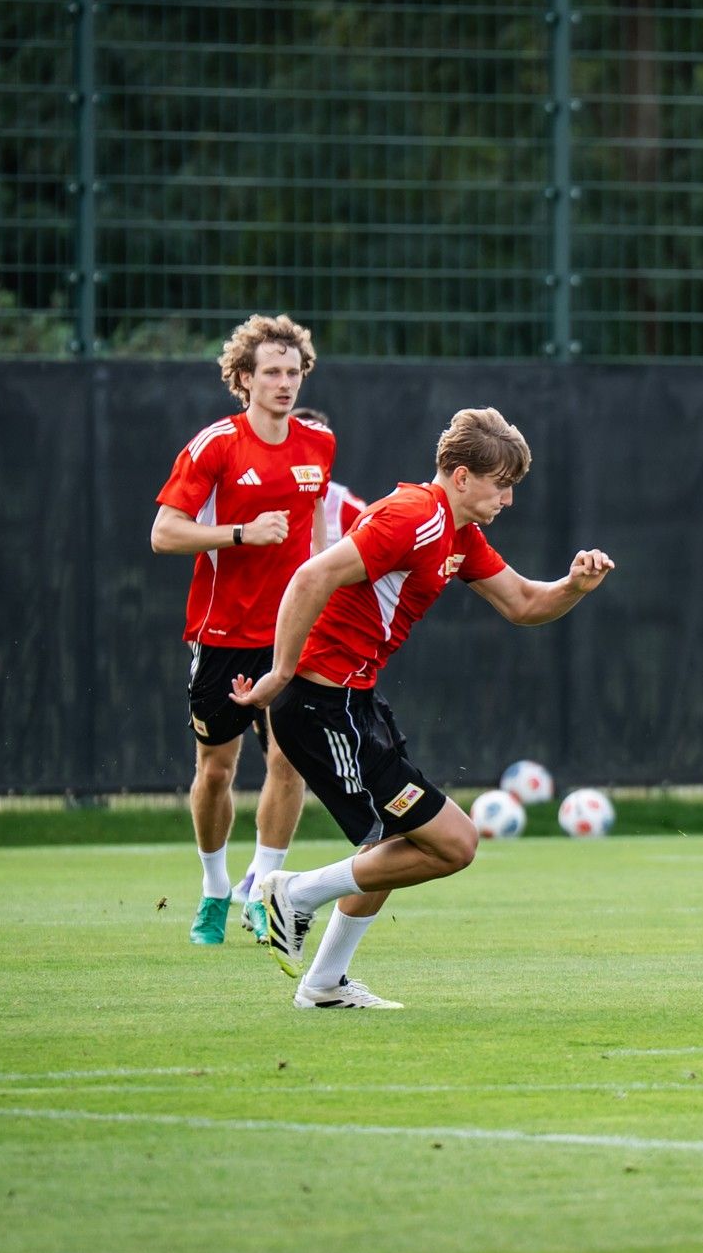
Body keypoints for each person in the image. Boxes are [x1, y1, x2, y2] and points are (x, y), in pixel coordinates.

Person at [231, 408, 613, 1008]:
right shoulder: (413, 518)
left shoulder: (457, 532)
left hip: (356, 704)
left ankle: (325, 981)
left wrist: (573, 587)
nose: (509, 499)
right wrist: (280, 674)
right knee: (452, 843)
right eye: (501, 484)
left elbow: (521, 603)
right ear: (462, 477)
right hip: (322, 707)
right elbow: (310, 577)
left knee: (392, 846)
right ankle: (294, 893)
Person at [150, 316, 333, 947]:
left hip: (293, 636)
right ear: (244, 379)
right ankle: (213, 889)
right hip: (224, 636)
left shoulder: (318, 446)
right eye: (271, 372)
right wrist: (241, 534)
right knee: (216, 771)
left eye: (293, 372)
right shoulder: (215, 447)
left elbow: (317, 540)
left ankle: (263, 891)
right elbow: (164, 533)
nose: (284, 383)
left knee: (289, 762)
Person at [290, 407, 368, 552]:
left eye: (313, 445)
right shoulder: (258, 493)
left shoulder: (345, 508)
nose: (305, 453)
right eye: (297, 443)